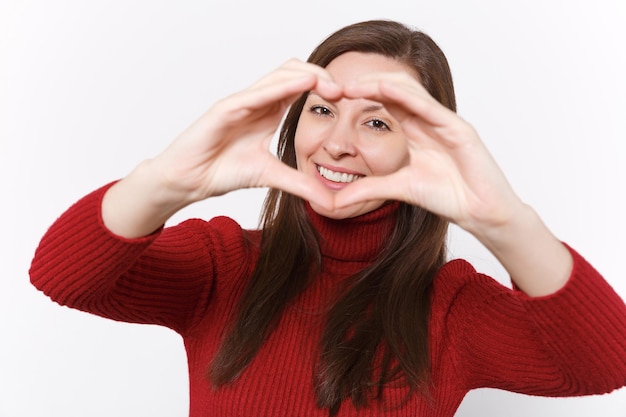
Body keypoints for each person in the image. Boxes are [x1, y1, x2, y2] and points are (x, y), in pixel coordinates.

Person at [30, 19, 626, 417]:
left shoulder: (453, 307)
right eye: (322, 110)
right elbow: (59, 275)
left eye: (377, 122)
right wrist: (166, 179)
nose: (337, 144)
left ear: (422, 147)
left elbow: (607, 364)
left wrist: (503, 221)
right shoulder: (225, 265)